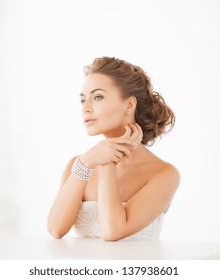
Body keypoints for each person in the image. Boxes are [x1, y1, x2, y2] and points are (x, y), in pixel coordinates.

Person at [47, 56, 180, 241]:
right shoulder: (78, 165)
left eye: (98, 97)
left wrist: (108, 160)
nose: (86, 108)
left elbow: (112, 231)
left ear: (129, 104)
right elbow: (56, 229)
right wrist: (85, 163)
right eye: (83, 100)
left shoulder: (164, 174)